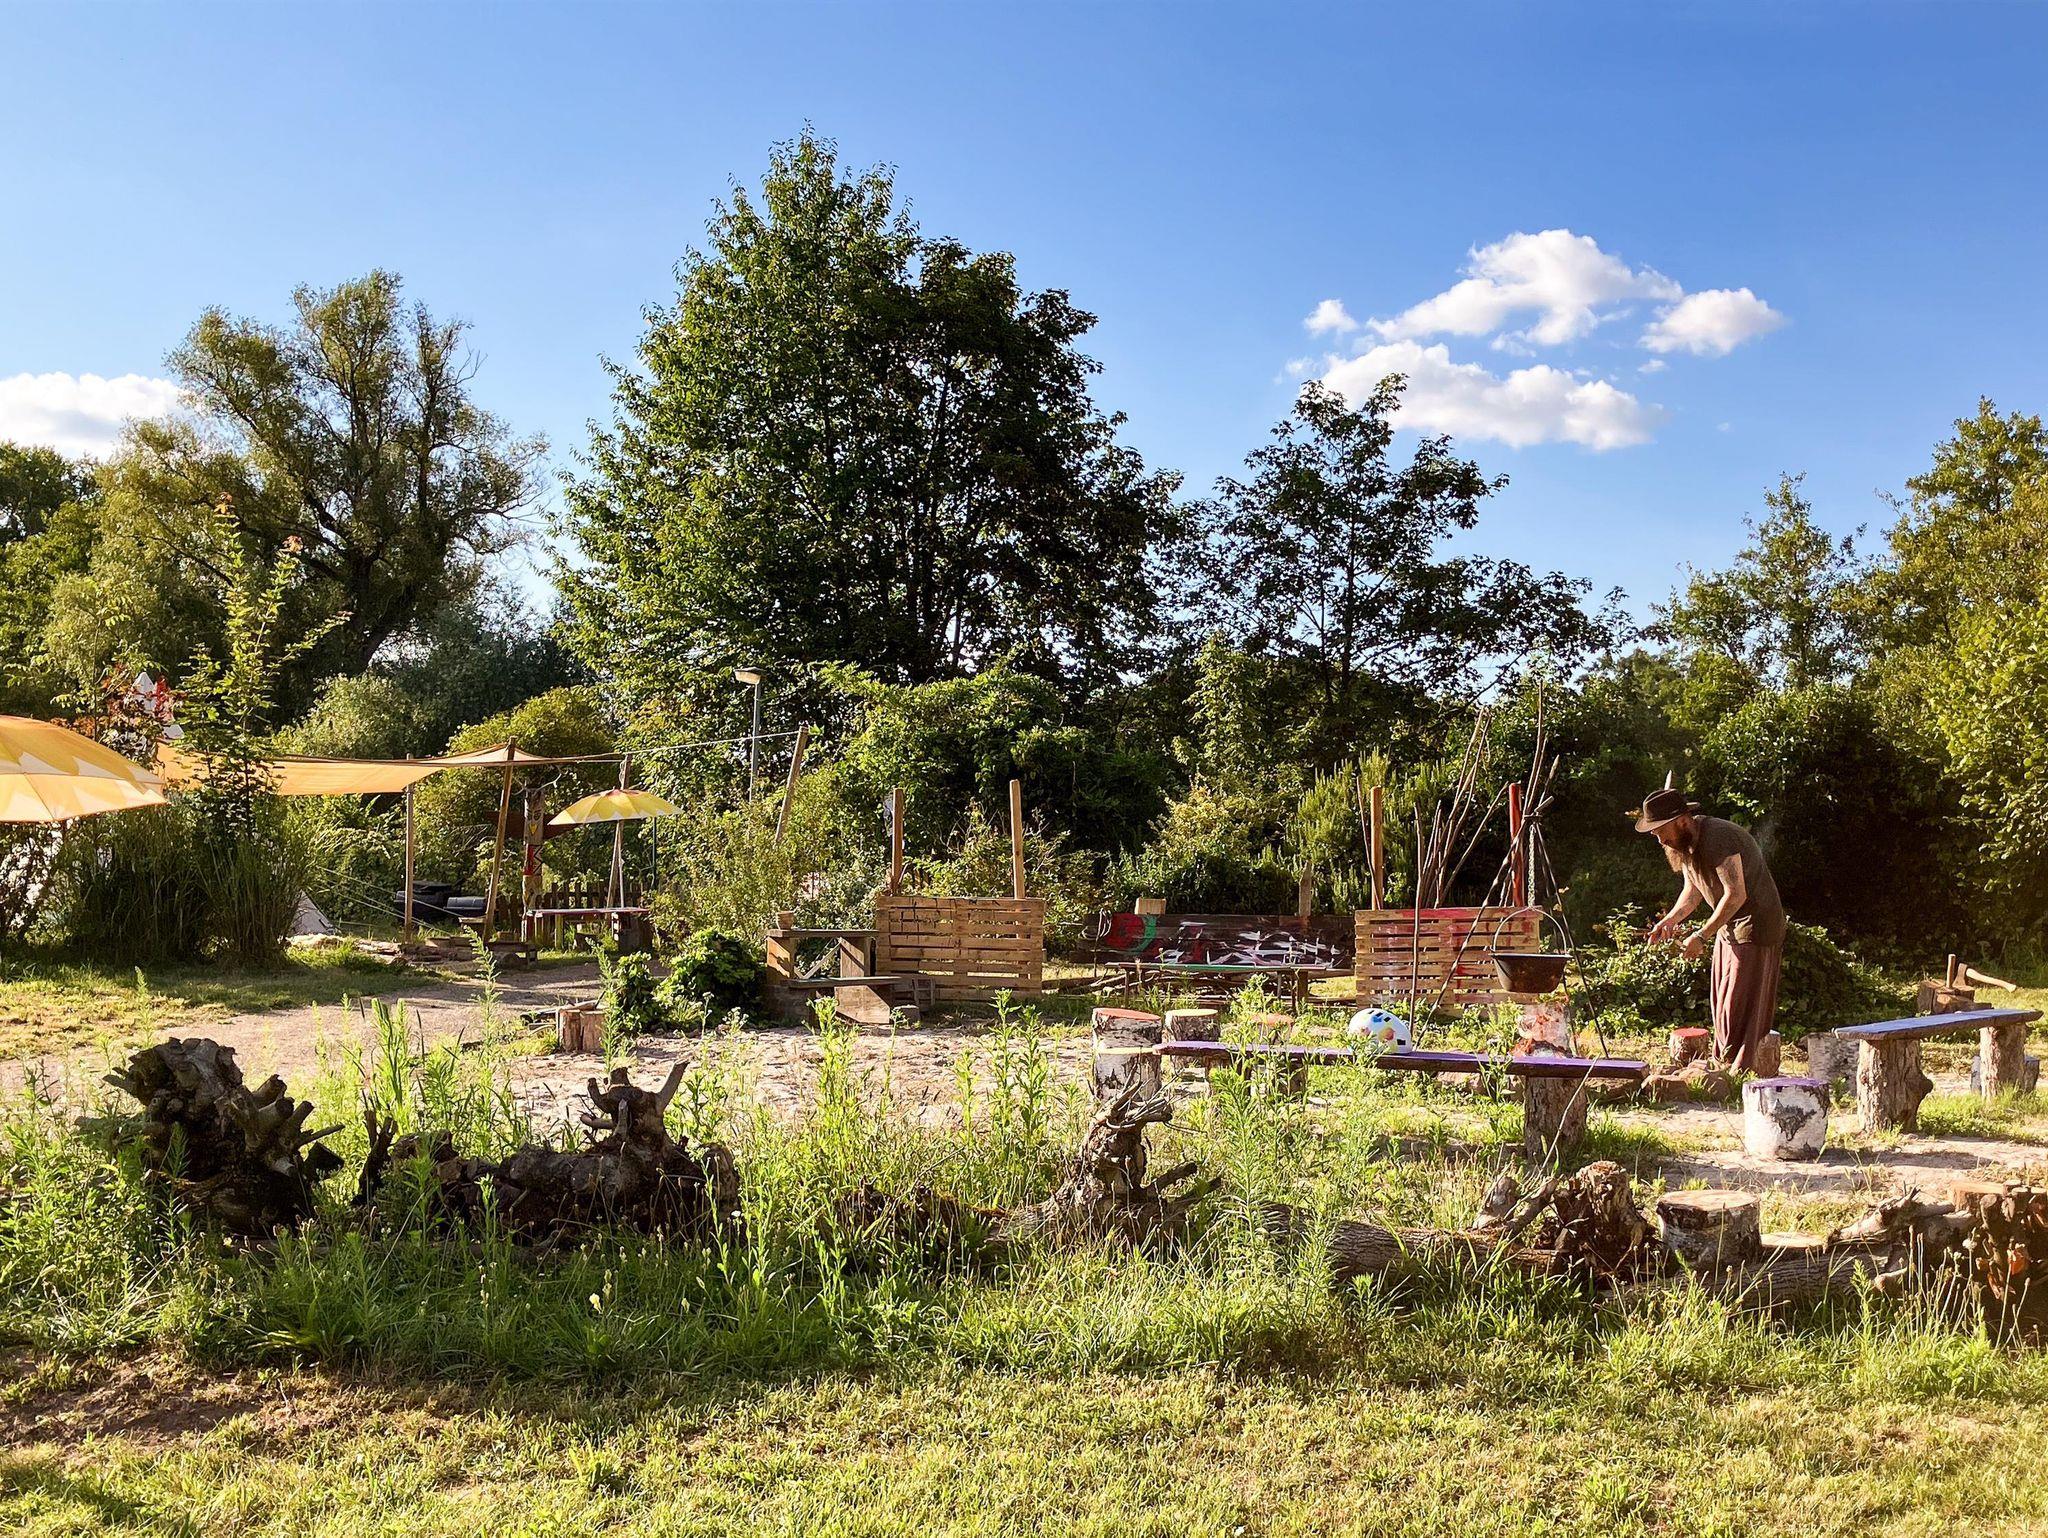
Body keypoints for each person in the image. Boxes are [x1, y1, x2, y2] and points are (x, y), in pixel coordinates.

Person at [1634, 786, 1787, 1073]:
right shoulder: (1683, 845)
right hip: (1728, 927)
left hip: (1756, 926)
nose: (1660, 840)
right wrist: (1669, 921)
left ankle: (1739, 1073)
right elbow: (1692, 891)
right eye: (1655, 834)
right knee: (1722, 1003)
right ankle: (1724, 1066)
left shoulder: (1719, 837)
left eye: (1661, 831)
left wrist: (1701, 935)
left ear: (1682, 821)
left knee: (1738, 1005)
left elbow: (1736, 894)